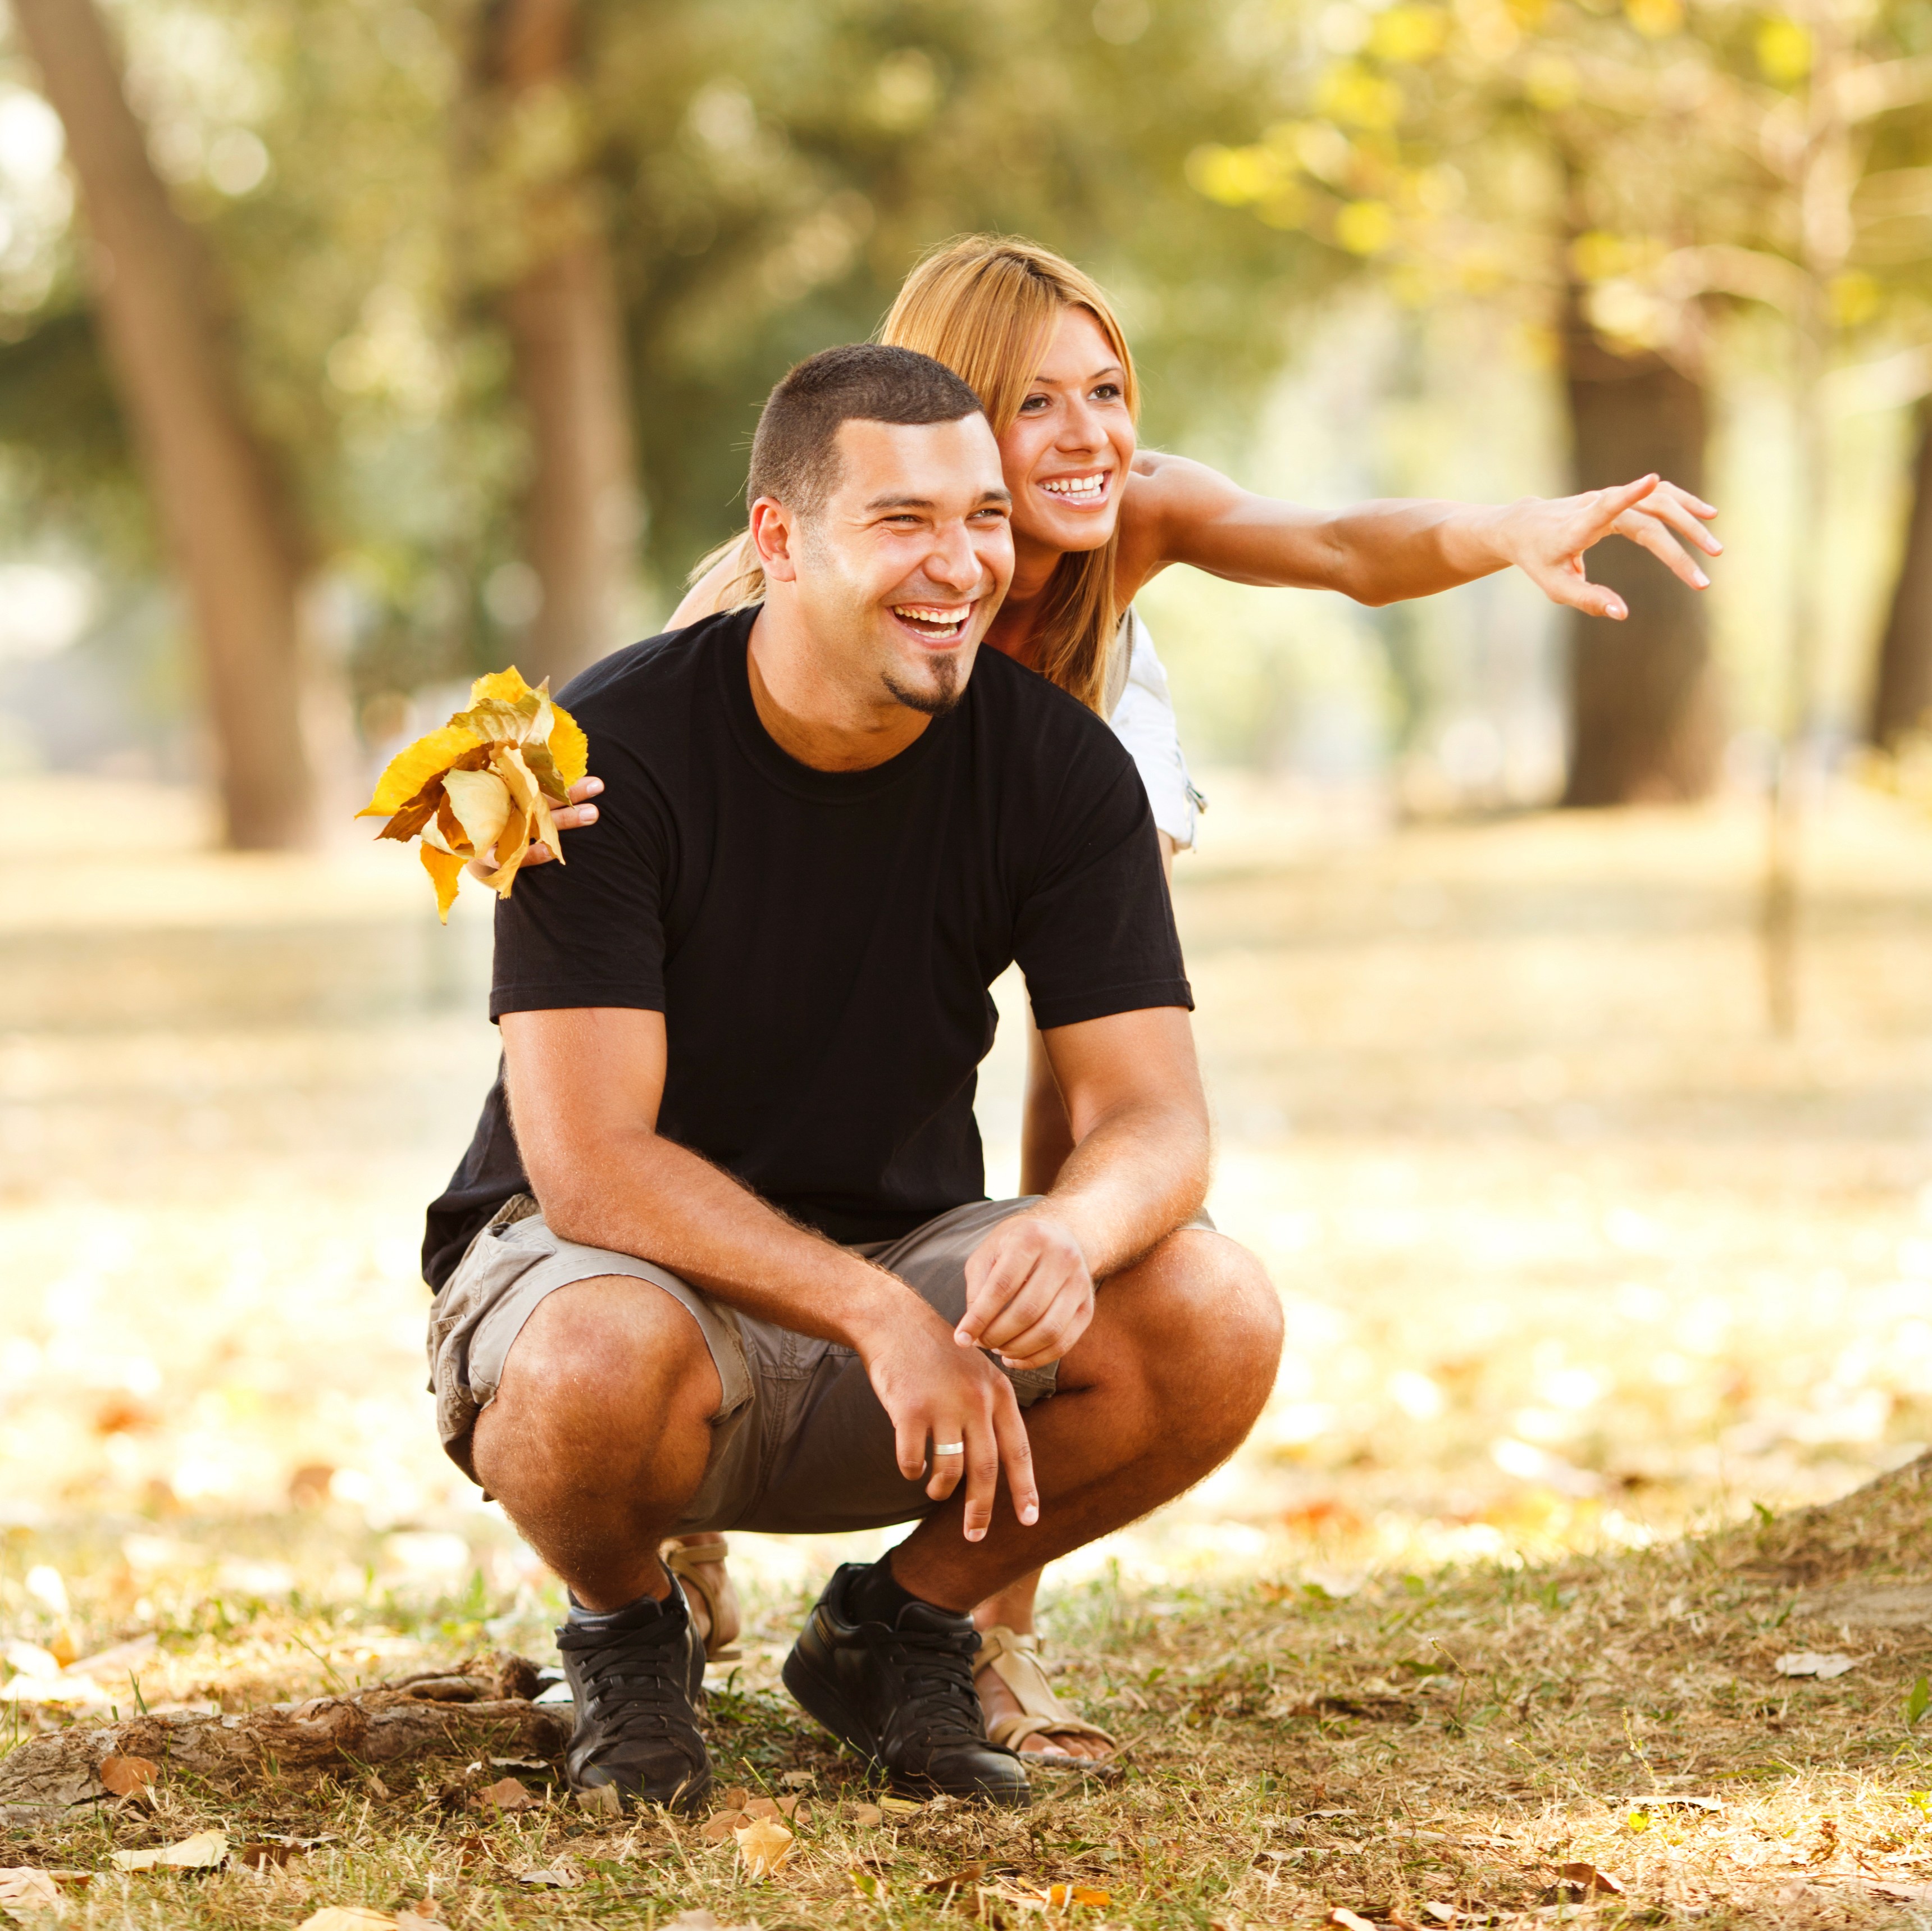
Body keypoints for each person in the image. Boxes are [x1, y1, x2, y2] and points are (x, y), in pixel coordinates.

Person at [640, 234, 1724, 1760]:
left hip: (1044, 776)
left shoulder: (1119, 523)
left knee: (1083, 1154)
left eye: (1107, 389)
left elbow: (1341, 542)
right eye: (1037, 404)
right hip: (856, 834)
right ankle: (664, 1534)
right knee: (737, 1114)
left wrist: (1511, 528)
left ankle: (966, 1626)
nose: (1091, 437)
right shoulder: (785, 594)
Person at [421, 343, 1284, 1812]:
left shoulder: (1059, 773)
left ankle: (897, 1633)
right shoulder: (596, 758)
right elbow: (590, 1165)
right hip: (612, 1278)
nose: (961, 567)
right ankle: (629, 1638)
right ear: (779, 540)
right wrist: (879, 1313)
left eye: (986, 520)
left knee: (1215, 1310)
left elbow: (1155, 1116)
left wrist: (1068, 1233)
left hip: (896, 1272)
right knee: (590, 1361)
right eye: (904, 522)